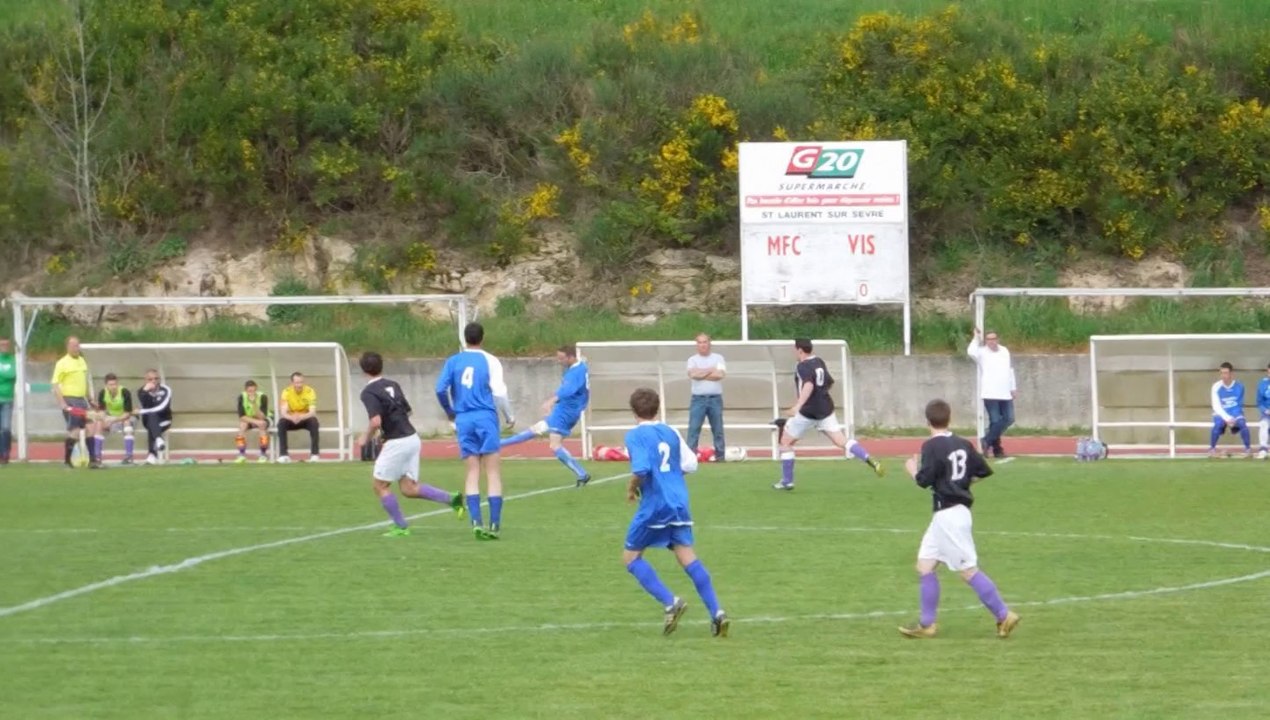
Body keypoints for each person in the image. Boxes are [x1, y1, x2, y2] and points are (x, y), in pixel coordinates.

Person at [899, 399, 1020, 640]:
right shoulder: (963, 443)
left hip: (949, 517)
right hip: (948, 515)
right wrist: (962, 484)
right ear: (949, 418)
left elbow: (923, 481)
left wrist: (911, 469)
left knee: (968, 570)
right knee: (925, 565)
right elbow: (983, 471)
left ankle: (1004, 614)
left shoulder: (931, 446)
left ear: (927, 422)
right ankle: (927, 624)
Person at [622, 387, 730, 637]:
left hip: (655, 505)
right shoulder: (670, 431)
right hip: (679, 501)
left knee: (631, 558)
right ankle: (717, 613)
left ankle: (671, 602)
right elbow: (691, 463)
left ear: (633, 411)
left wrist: (631, 489)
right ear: (657, 408)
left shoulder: (635, 435)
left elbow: (641, 470)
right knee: (687, 557)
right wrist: (670, 477)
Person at [356, 351, 465, 538]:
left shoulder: (368, 392)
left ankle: (401, 527)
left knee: (380, 485)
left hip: (398, 442)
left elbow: (375, 421)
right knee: (409, 488)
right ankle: (451, 498)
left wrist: (365, 437)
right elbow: (407, 412)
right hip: (411, 438)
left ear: (363, 370)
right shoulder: (393, 384)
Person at [435, 322, 515, 540]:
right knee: (493, 472)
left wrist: (450, 411)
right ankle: (494, 525)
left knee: (472, 472)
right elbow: (499, 393)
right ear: (483, 338)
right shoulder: (490, 360)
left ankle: (476, 522)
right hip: (485, 417)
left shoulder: (453, 361)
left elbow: (440, 389)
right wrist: (509, 416)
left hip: (464, 418)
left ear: (464, 339)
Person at [773, 338, 882, 490]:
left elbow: (808, 385)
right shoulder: (819, 362)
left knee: (785, 443)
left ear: (799, 350)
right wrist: (821, 395)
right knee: (842, 441)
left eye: (795, 350)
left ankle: (787, 481)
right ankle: (868, 458)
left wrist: (798, 406)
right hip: (825, 410)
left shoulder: (802, 366)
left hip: (807, 413)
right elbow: (830, 382)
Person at [499, 344, 591, 486]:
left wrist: (551, 401)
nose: (559, 361)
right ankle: (498, 444)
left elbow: (568, 390)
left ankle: (582, 474)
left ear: (571, 357)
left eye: (562, 358)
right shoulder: (581, 367)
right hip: (566, 410)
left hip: (566, 412)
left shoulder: (575, 373)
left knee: (554, 445)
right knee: (534, 430)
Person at [967, 328, 1017, 458]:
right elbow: (971, 351)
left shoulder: (1004, 351)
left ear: (997, 339)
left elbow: (1010, 370)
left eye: (993, 339)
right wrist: (976, 338)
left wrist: (1013, 387)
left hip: (1005, 392)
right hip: (990, 392)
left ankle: (987, 440)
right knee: (995, 421)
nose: (991, 341)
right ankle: (997, 449)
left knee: (1009, 418)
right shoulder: (982, 352)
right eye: (988, 339)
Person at [52, 336, 100, 469]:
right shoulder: (62, 363)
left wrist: (90, 399)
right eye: (74, 346)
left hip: (82, 399)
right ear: (68, 347)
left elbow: (85, 382)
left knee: (90, 428)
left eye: (78, 345)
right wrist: (62, 403)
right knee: (75, 430)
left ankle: (93, 460)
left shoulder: (82, 361)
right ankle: (67, 461)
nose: (76, 348)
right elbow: (55, 385)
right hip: (70, 399)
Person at [685, 333, 727, 462]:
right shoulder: (692, 360)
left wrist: (701, 373)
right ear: (696, 345)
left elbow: (720, 375)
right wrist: (710, 370)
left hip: (715, 399)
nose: (702, 345)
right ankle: (690, 457)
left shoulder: (719, 358)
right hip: (698, 399)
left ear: (709, 343)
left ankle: (720, 456)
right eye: (700, 342)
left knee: (718, 429)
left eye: (705, 342)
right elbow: (693, 375)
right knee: (694, 429)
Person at [93, 373, 135, 465]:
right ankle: (97, 456)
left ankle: (129, 456)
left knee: (127, 424)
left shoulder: (124, 392)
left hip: (125, 417)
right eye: (111, 385)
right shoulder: (103, 393)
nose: (113, 387)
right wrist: (105, 419)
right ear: (106, 385)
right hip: (111, 417)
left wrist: (113, 420)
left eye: (115, 384)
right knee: (99, 423)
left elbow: (127, 413)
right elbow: (102, 411)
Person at [1210, 361, 1251, 458]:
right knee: (1218, 424)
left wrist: (1233, 418)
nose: (1223, 376)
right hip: (1221, 412)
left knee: (1242, 424)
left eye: (1226, 373)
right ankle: (1212, 449)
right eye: (1221, 373)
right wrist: (1227, 418)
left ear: (1231, 373)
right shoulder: (1216, 386)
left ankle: (1248, 449)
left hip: (1235, 412)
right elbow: (1216, 406)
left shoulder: (1239, 386)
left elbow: (1238, 404)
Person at [278, 372, 320, 463]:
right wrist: (292, 417)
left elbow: (312, 412)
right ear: (292, 383)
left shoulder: (310, 391)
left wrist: (301, 417)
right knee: (281, 423)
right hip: (291, 418)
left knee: (314, 422)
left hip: (305, 418)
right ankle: (284, 455)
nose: (299, 385)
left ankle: (314, 455)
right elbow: (283, 412)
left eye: (301, 382)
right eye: (297, 383)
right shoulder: (286, 392)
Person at [135, 369, 174, 465]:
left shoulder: (166, 390)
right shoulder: (141, 391)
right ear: (145, 380)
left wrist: (140, 411)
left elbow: (162, 407)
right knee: (151, 418)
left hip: (164, 420)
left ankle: (152, 454)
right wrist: (145, 391)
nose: (154, 381)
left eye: (156, 378)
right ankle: (158, 439)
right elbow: (145, 404)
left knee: (152, 423)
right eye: (150, 379)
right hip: (148, 420)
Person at [235, 380, 273, 463]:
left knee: (262, 424)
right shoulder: (241, 397)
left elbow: (262, 417)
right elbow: (241, 417)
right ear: (246, 390)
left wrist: (254, 403)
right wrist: (255, 421)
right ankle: (241, 454)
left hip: (266, 418)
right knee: (242, 425)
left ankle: (263, 454)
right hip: (250, 418)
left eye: (254, 391)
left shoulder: (262, 397)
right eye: (250, 391)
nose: (252, 393)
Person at [0, 337, 15, 464]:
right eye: (2, 345)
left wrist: (2, 375)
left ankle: (5, 453)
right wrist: (5, 376)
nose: (4, 347)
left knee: (6, 427)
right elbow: (8, 375)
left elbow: (12, 374)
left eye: (6, 344)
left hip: (7, 398)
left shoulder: (12, 360)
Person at [1256, 363, 1270, 460]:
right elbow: (1259, 402)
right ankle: (1263, 450)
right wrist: (1265, 410)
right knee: (1264, 424)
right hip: (1267, 413)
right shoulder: (1262, 384)